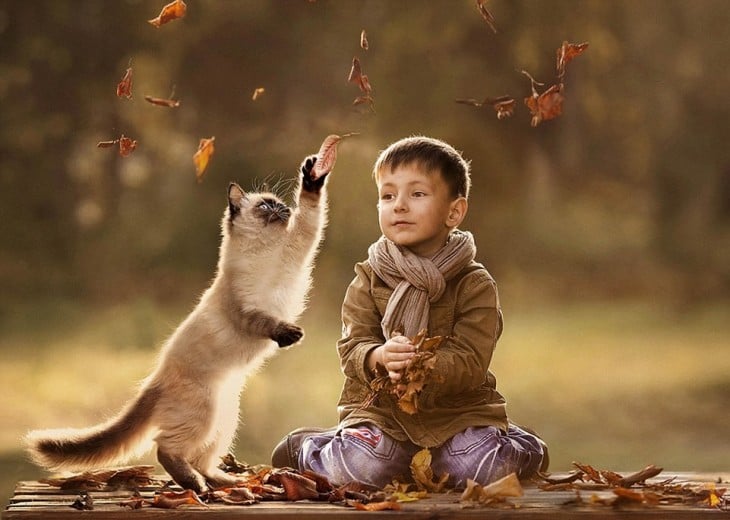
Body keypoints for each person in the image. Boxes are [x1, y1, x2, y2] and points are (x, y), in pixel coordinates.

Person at [272, 136, 547, 488]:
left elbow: (471, 360)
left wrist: (423, 363)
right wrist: (379, 356)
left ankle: (523, 446)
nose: (398, 206)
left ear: (454, 211)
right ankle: (311, 448)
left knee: (483, 472)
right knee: (359, 470)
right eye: (388, 196)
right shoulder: (368, 278)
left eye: (417, 194)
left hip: (457, 415)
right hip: (383, 416)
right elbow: (352, 345)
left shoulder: (475, 284)